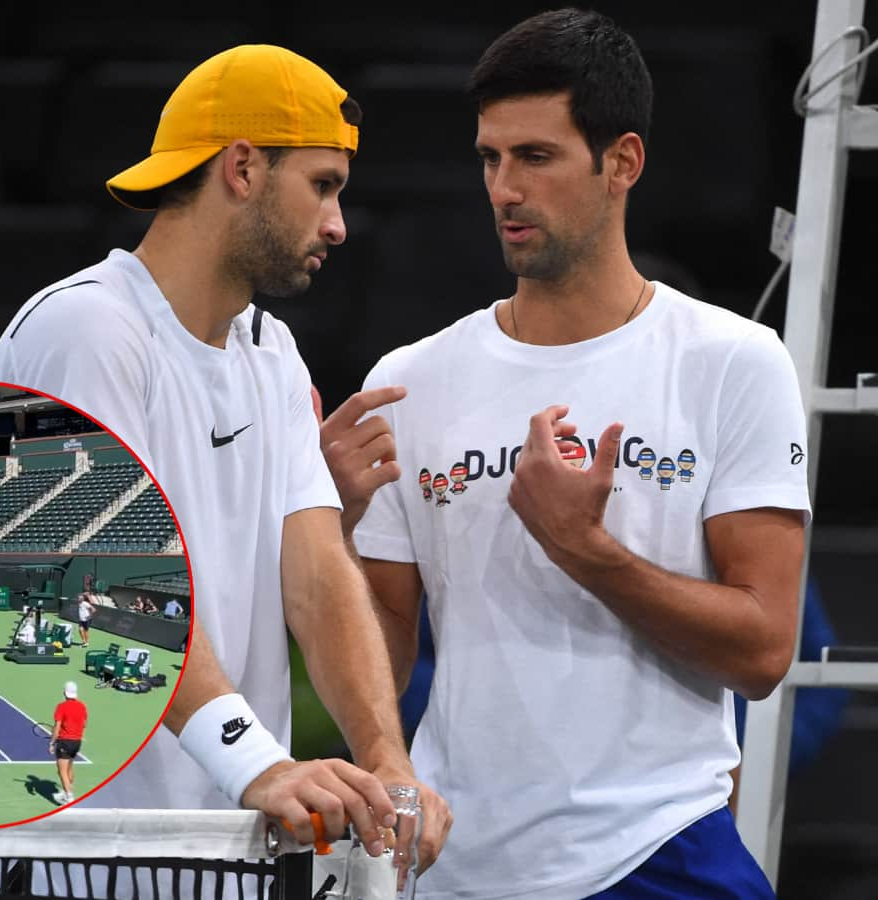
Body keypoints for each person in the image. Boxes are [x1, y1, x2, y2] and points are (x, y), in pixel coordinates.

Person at [339, 10, 810, 898]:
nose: (504, 188)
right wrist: (334, 527)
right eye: (491, 158)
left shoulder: (732, 361)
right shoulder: (412, 380)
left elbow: (763, 651)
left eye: (537, 157)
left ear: (621, 163)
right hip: (454, 863)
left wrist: (582, 547)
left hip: (660, 851)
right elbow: (385, 646)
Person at [0, 43, 450, 867]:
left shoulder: (272, 352)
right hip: (65, 857)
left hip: (215, 855)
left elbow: (317, 576)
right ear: (241, 168)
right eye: (323, 185)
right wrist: (262, 765)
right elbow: (110, 590)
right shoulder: (85, 332)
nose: (339, 224)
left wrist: (387, 758)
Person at [50, 680, 88, 806]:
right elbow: (84, 725)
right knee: (69, 768)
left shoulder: (61, 706)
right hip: (77, 742)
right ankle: (66, 791)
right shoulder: (82, 706)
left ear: (64, 693)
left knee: (62, 771)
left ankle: (69, 798)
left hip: (64, 742)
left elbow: (57, 727)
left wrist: (52, 742)